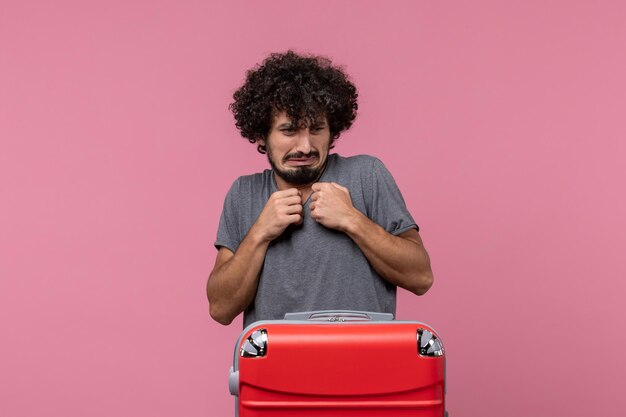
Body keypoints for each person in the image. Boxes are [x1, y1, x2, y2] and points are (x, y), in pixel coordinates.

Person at [207, 51, 433, 327]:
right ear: (261, 135)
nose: (305, 146)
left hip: (362, 362)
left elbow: (421, 277)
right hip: (277, 367)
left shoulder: (366, 175)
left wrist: (352, 220)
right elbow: (220, 308)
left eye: (316, 129)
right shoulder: (244, 194)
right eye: (289, 131)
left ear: (332, 131)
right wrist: (259, 233)